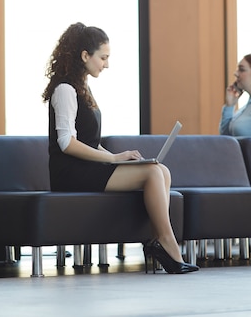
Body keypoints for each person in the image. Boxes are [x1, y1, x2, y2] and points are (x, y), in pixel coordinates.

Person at [42, 22, 198, 274]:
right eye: (103, 58)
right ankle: (166, 243)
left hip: (86, 168)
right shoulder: (64, 90)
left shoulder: (83, 89)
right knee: (152, 173)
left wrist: (120, 158)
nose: (106, 64)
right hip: (70, 173)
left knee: (161, 170)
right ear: (85, 55)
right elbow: (66, 143)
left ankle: (159, 241)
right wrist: (113, 158)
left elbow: (91, 142)